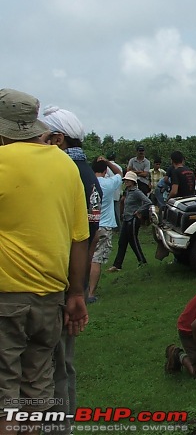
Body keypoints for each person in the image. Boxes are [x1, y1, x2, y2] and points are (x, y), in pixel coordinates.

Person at [0, 89, 89, 433]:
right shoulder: (64, 164)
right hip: (50, 299)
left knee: (5, 392)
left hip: (5, 298)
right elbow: (79, 237)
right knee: (37, 389)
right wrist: (77, 294)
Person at [40, 104, 102, 423]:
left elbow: (80, 239)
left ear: (59, 140)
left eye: (43, 137)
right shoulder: (86, 172)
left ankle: (57, 424)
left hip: (58, 283)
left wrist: (71, 290)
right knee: (62, 363)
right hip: (69, 281)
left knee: (56, 365)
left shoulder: (65, 173)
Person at [88, 157, 123, 302]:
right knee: (96, 260)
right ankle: (90, 293)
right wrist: (109, 162)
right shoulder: (108, 183)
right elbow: (120, 173)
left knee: (84, 257)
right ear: (104, 171)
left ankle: (79, 290)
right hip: (105, 224)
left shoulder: (87, 183)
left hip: (89, 223)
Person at [107, 171, 153, 272]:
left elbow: (148, 202)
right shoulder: (128, 191)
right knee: (122, 242)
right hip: (126, 219)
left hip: (133, 219)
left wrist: (138, 211)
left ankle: (142, 261)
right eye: (125, 180)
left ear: (133, 181)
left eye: (128, 180)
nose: (126, 182)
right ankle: (117, 265)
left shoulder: (137, 192)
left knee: (133, 241)